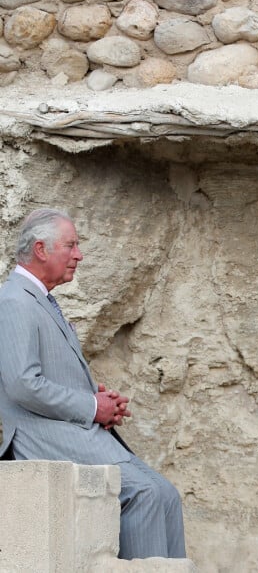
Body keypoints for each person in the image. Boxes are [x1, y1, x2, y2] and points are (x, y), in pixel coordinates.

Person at [0, 208, 186, 561]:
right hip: (42, 436)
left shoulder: (38, 300)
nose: (79, 255)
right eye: (71, 245)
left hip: (70, 430)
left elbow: (45, 376)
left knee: (166, 495)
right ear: (41, 249)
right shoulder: (14, 302)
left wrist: (95, 400)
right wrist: (90, 407)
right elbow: (22, 384)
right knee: (145, 493)